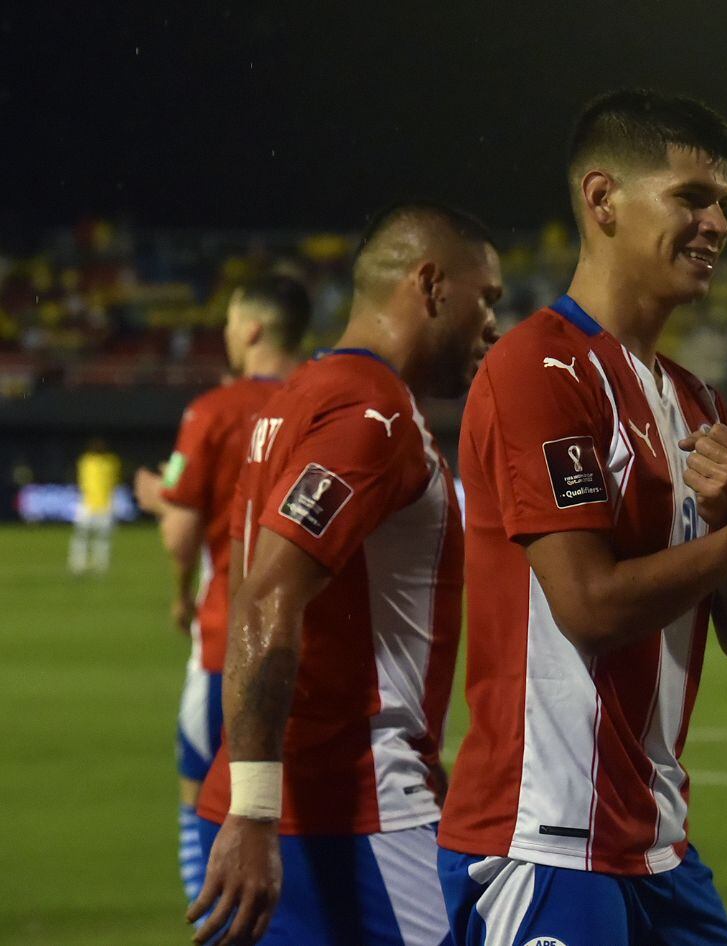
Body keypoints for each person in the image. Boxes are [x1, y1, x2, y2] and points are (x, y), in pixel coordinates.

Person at [437, 89, 727, 946]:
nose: (719, 224)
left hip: (657, 845)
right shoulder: (537, 367)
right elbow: (590, 606)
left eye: (725, 203)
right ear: (603, 200)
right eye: (691, 198)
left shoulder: (694, 401)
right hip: (546, 840)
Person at [187, 202, 503, 946]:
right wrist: (258, 810)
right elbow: (268, 597)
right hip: (352, 813)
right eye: (485, 298)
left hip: (277, 805)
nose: (493, 323)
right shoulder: (373, 414)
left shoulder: (296, 397)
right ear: (430, 286)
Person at [132, 274, 310, 902]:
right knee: (296, 823)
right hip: (311, 651)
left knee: (204, 807)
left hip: (225, 648)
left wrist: (161, 501)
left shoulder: (212, 412)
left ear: (254, 328)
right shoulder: (325, 403)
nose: (227, 335)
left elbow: (182, 538)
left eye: (232, 323)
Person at [69, 437, 121, 575]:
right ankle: (80, 565)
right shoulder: (90, 461)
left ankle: (98, 566)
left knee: (99, 539)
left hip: (103, 505)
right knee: (83, 537)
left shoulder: (106, 462)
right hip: (89, 504)